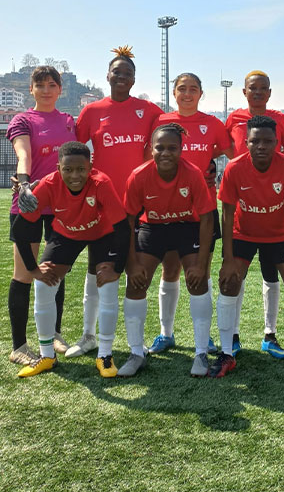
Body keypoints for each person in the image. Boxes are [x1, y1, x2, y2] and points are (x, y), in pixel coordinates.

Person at [211, 115, 284, 380]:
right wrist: (228, 259)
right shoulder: (235, 168)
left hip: (279, 235)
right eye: (255, 141)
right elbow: (227, 214)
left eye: (268, 141)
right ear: (246, 143)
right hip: (243, 234)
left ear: (277, 143)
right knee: (229, 282)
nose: (261, 146)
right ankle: (226, 353)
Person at [69, 47, 162, 359]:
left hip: (138, 205)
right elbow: (72, 151)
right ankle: (88, 335)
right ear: (107, 76)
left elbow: (172, 135)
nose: (122, 77)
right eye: (117, 72)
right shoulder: (92, 111)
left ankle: (137, 341)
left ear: (134, 80)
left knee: (138, 272)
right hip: (102, 205)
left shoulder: (149, 111)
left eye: (128, 73)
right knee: (96, 269)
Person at [12, 142, 129, 378]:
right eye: (68, 170)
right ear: (59, 169)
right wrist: (33, 270)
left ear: (90, 168)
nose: (75, 176)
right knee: (43, 285)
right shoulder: (48, 184)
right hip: (67, 233)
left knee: (107, 286)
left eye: (81, 169)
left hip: (103, 234)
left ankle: (105, 355)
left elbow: (123, 229)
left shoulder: (101, 183)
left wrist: (117, 268)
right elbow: (19, 229)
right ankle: (47, 356)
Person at [120, 123, 216, 377]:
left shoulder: (192, 174)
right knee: (136, 283)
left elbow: (207, 218)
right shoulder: (139, 175)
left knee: (197, 281)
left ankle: (201, 353)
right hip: (153, 228)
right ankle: (136, 353)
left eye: (172, 148)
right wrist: (132, 264)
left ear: (181, 150)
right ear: (151, 149)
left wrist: (201, 265)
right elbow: (128, 221)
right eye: (159, 147)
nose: (165, 153)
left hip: (186, 226)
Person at [147, 73, 233, 355]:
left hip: (202, 211)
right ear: (174, 93)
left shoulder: (212, 124)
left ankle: (204, 337)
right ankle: (166, 333)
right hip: (167, 209)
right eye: (182, 88)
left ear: (201, 94)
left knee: (201, 273)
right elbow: (149, 157)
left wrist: (211, 164)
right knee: (170, 270)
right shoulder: (161, 121)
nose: (187, 93)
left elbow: (231, 152)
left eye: (193, 89)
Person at [224, 70, 284, 359]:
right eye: (252, 88)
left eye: (262, 88)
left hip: (275, 214)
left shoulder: (280, 119)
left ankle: (270, 335)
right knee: (236, 276)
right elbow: (224, 147)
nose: (257, 92)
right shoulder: (233, 118)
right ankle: (232, 337)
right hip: (245, 211)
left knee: (273, 275)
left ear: (270, 93)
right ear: (244, 92)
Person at [6, 65, 76, 365]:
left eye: (51, 85)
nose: (46, 90)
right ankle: (19, 347)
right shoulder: (23, 120)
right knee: (24, 274)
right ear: (31, 89)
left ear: (60, 89)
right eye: (40, 85)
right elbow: (24, 154)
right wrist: (24, 184)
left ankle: (54, 333)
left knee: (55, 271)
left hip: (61, 206)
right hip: (30, 203)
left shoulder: (69, 121)